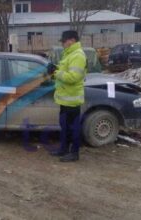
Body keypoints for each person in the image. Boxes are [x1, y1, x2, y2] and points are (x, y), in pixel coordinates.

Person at [50, 30, 87, 162]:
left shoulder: (78, 55)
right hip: (65, 99)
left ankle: (74, 153)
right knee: (65, 126)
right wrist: (55, 69)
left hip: (72, 100)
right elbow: (64, 71)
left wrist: (55, 73)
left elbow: (73, 77)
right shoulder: (69, 54)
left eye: (64, 42)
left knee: (73, 128)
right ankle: (64, 149)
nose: (63, 44)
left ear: (71, 40)